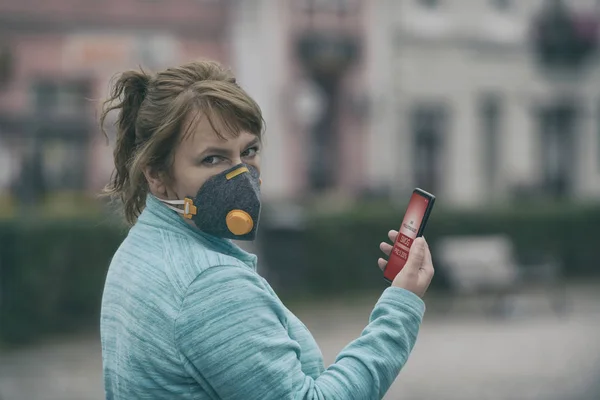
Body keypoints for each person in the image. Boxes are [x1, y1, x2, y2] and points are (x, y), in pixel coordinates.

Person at [99, 59, 435, 400]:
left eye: (249, 150)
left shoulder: (140, 247)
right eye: (212, 159)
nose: (241, 175)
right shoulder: (208, 285)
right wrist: (400, 306)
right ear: (157, 175)